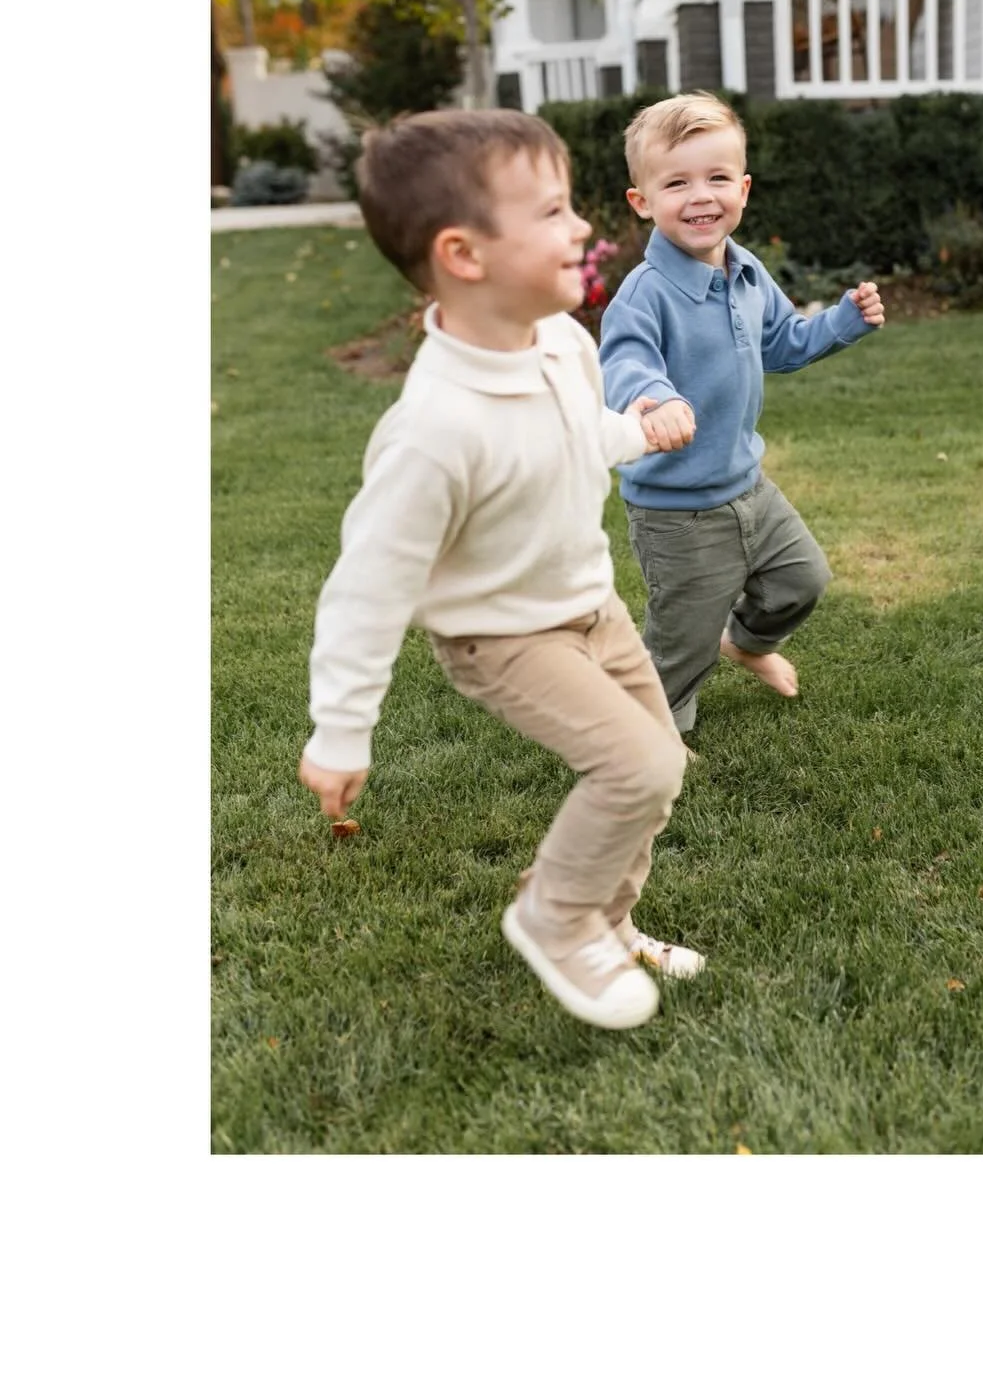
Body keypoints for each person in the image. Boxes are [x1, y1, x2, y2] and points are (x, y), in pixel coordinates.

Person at [298, 109, 704, 1032]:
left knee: (658, 767)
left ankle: (605, 921)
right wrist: (340, 732)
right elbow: (367, 588)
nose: (584, 229)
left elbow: (567, 438)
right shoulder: (433, 430)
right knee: (635, 765)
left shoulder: (562, 340)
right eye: (555, 212)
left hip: (588, 605)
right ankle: (553, 917)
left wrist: (631, 435)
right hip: (503, 636)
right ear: (464, 255)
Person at [599, 91, 885, 736]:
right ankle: (652, 732)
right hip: (678, 512)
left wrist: (841, 322)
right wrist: (659, 399)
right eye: (677, 183)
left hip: (749, 487)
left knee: (802, 579)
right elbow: (623, 365)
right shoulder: (643, 295)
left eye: (717, 178)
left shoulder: (747, 270)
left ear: (744, 189)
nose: (701, 196)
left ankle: (750, 642)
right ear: (642, 201)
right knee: (682, 642)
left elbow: (781, 345)